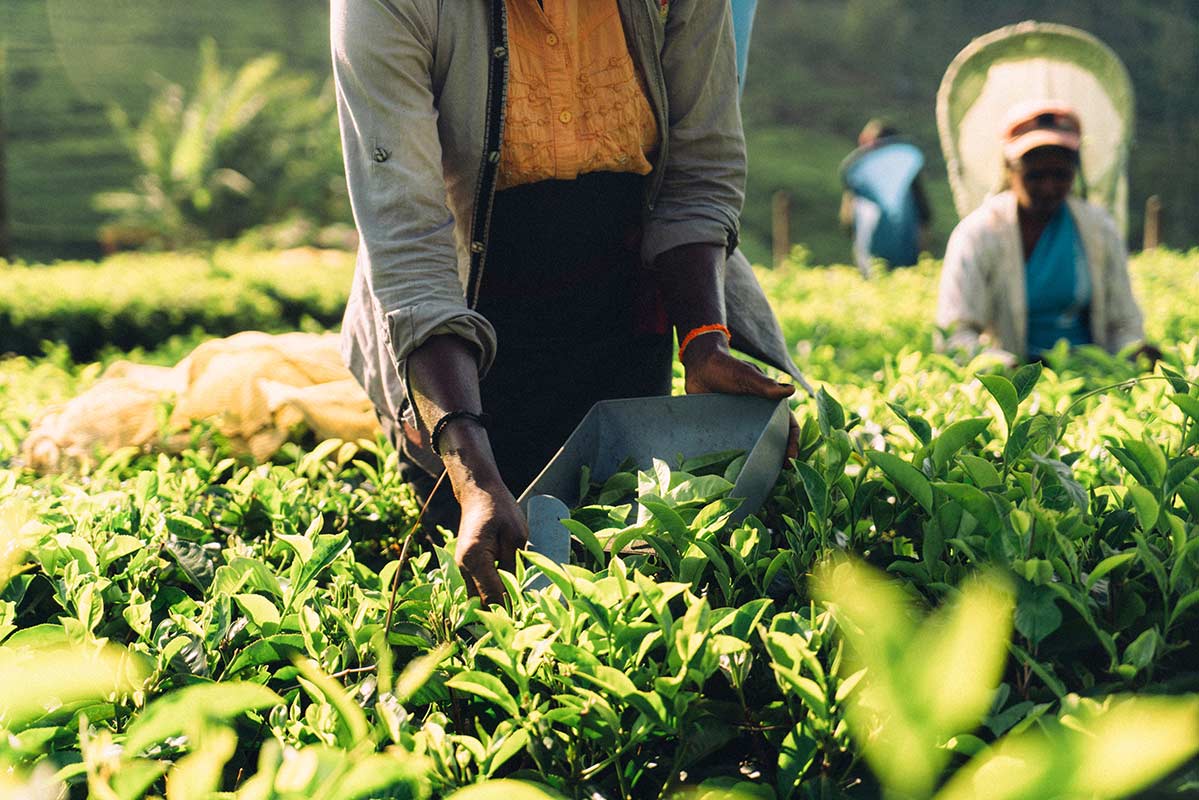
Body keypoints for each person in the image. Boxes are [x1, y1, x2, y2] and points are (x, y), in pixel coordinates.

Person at [330, 0, 804, 605]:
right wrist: (473, 476)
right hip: (459, 336)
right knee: (484, 584)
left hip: (621, 304)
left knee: (631, 563)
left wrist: (704, 339)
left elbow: (699, 167)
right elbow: (410, 246)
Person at [936, 101, 1157, 365]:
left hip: (1091, 379)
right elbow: (954, 334)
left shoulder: (1098, 228)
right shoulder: (979, 234)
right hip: (1015, 384)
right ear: (1009, 169)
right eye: (1035, 176)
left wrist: (1134, 351)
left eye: (1061, 175)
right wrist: (1005, 368)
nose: (1049, 187)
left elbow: (1123, 323)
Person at [839, 120, 932, 275]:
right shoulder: (904, 176)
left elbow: (847, 221)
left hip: (878, 258)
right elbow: (925, 216)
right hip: (901, 258)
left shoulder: (861, 181)